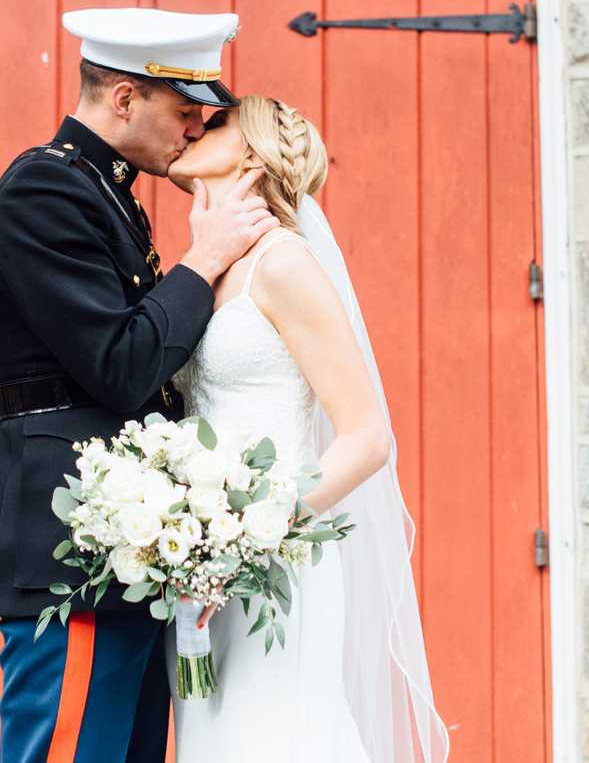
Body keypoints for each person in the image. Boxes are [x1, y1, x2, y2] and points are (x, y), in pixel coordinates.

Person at [0, 7, 280, 763]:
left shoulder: (106, 194)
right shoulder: (43, 194)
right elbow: (122, 364)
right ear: (125, 100)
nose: (196, 127)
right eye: (184, 108)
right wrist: (204, 261)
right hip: (69, 545)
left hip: (126, 548)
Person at [164, 95, 450, 763]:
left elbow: (366, 436)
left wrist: (246, 541)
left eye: (219, 122)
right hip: (205, 575)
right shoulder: (210, 267)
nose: (196, 126)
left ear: (253, 155)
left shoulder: (284, 264)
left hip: (274, 569)